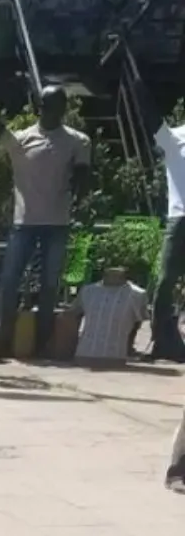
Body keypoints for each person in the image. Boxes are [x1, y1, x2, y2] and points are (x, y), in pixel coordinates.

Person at [0, 85, 92, 361]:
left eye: (62, 107)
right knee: (9, 281)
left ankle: (42, 344)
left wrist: (80, 190)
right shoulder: (23, 140)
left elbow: (83, 174)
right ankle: (3, 341)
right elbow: (0, 131)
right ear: (41, 108)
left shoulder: (77, 141)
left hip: (57, 223)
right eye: (51, 106)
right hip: (24, 223)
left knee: (50, 285)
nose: (57, 112)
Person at [114, 42, 185, 362]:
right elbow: (149, 113)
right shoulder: (174, 139)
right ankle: (162, 340)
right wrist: (136, 76)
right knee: (165, 281)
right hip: (179, 218)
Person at [72, 265, 148, 363]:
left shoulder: (138, 294)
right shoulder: (87, 291)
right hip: (83, 354)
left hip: (116, 357)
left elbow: (137, 324)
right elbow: (72, 316)